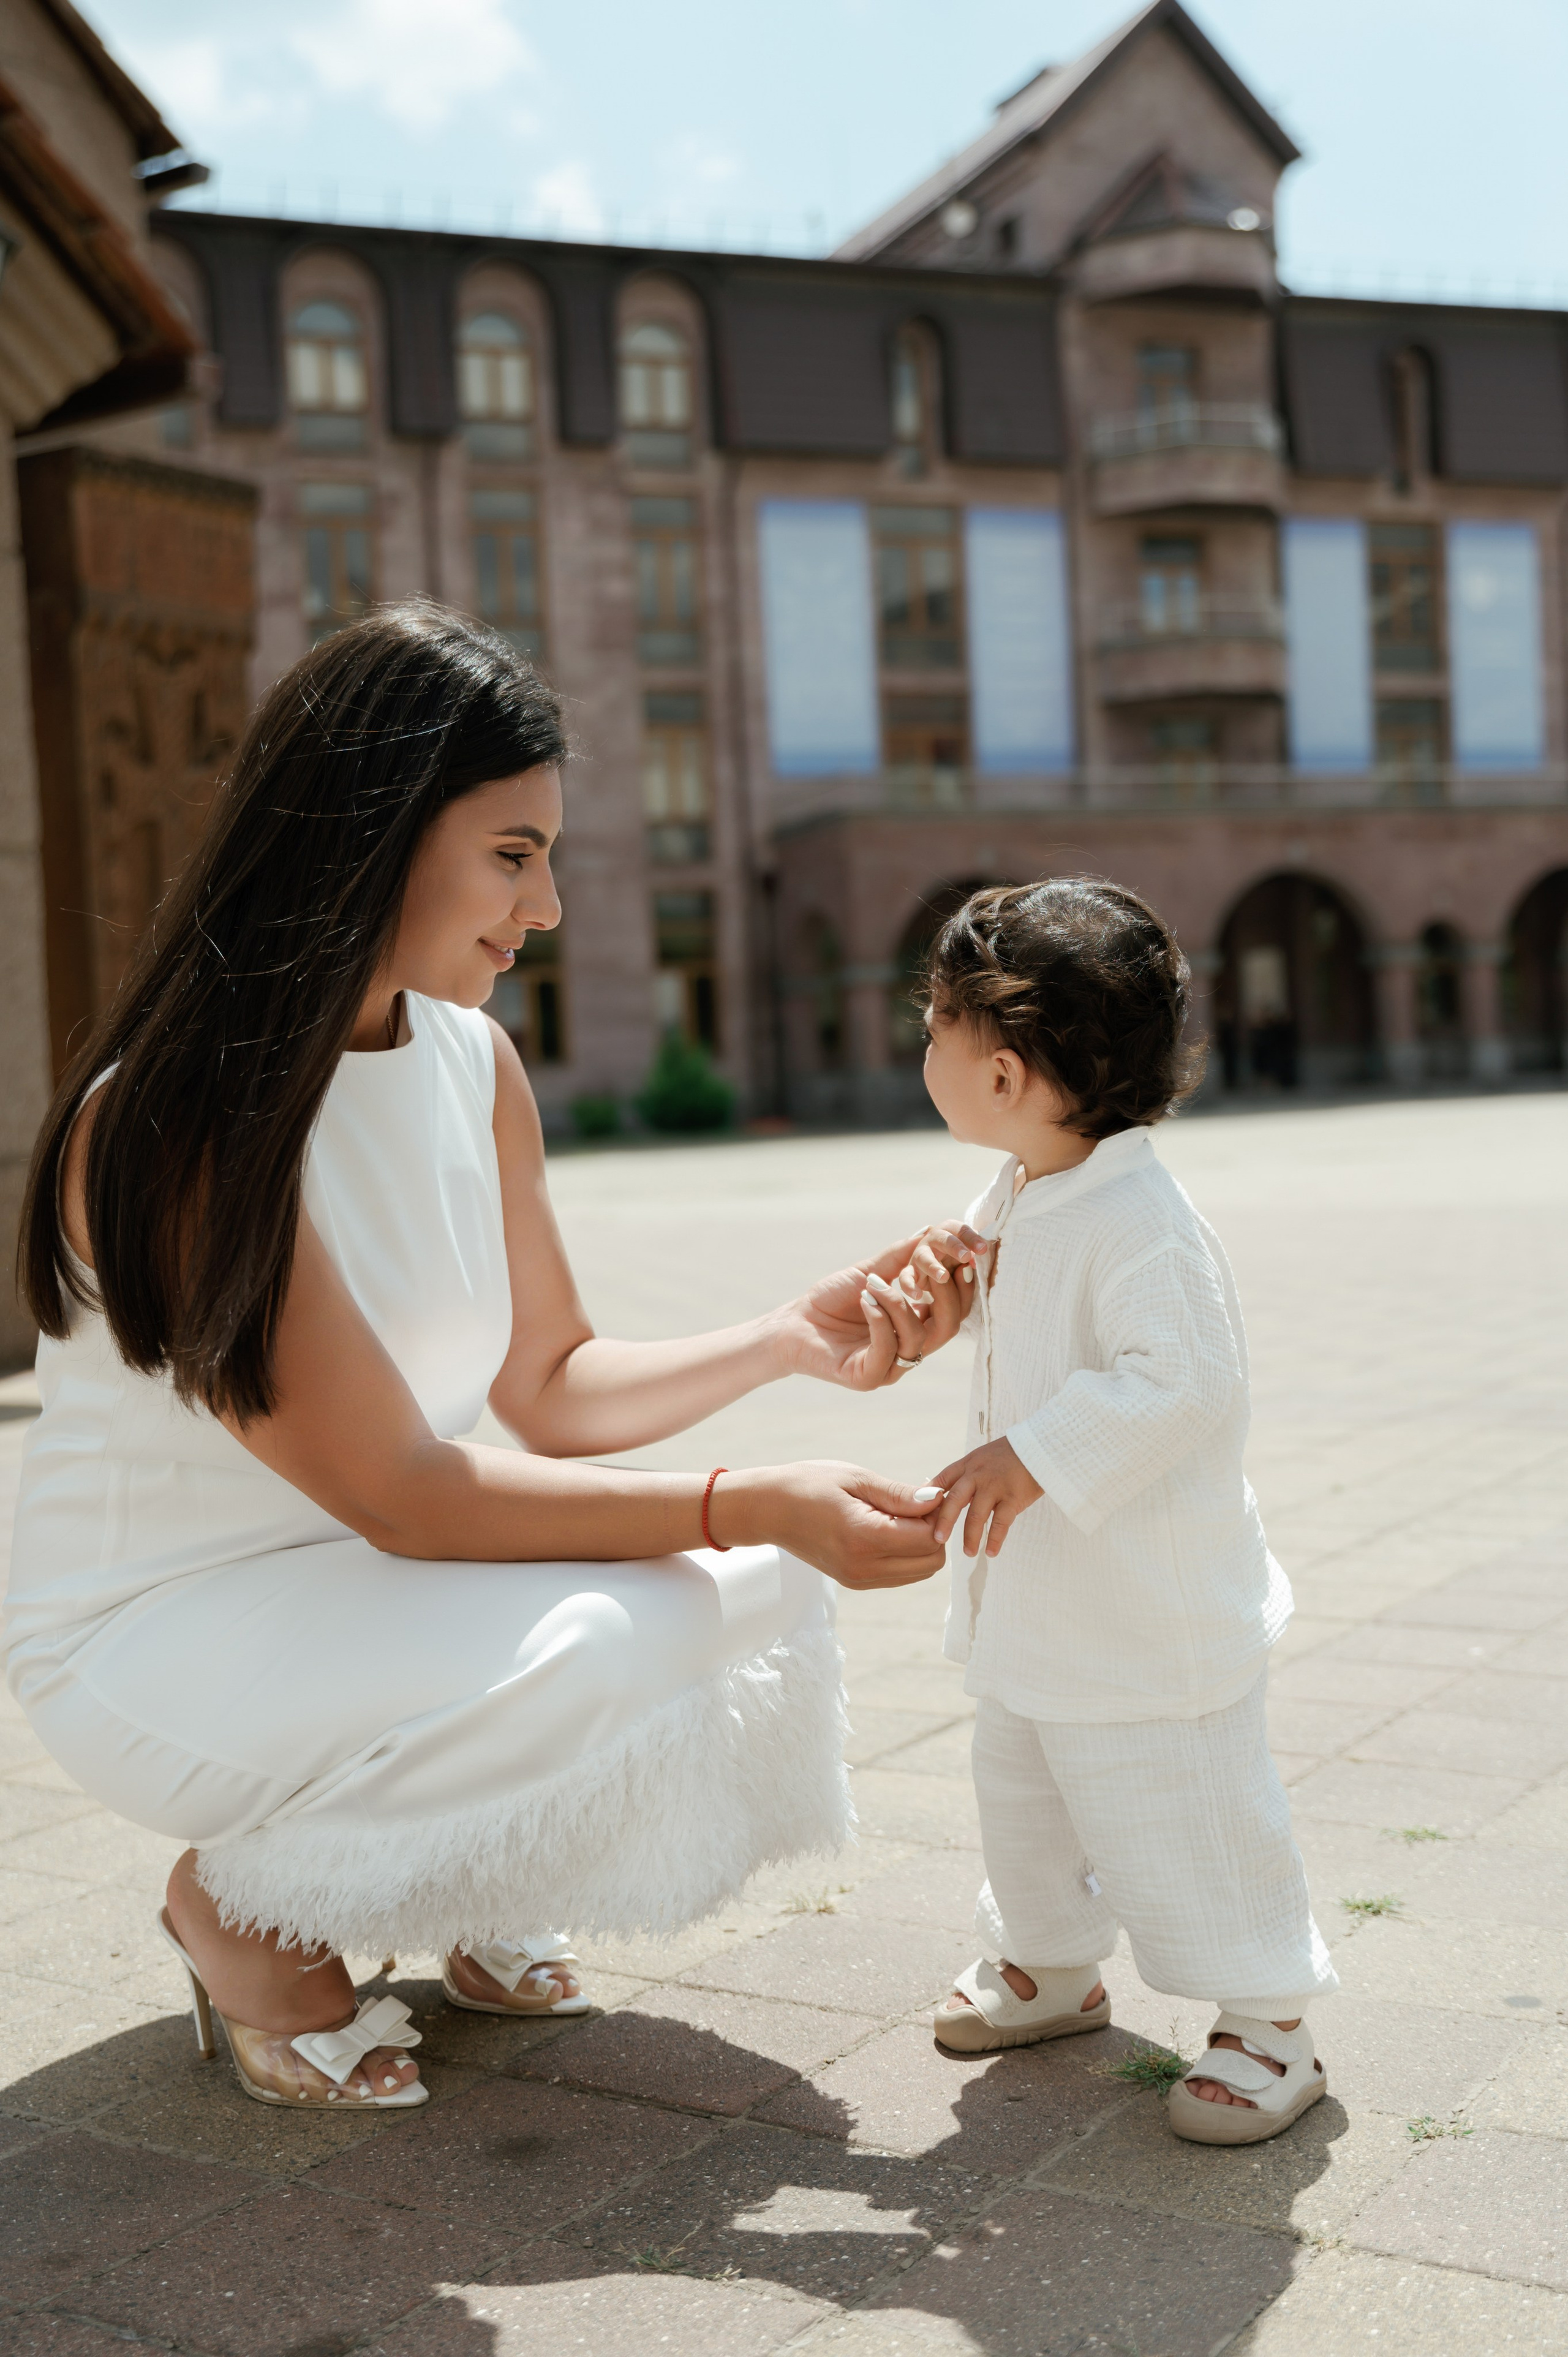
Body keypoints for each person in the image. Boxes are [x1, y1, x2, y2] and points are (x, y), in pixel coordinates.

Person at [7, 605, 954, 2114]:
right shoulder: (181, 1120)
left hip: (376, 1585)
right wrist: (754, 1493)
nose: (552, 904)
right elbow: (406, 1490)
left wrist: (789, 1342)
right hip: (163, 1636)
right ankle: (242, 1908)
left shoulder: (471, 1062)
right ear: (366, 835)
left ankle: (455, 1866)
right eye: (512, 853)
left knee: (748, 1587)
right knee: (619, 1626)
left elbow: (551, 1385)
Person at [897, 878, 1336, 2147]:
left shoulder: (1140, 1220)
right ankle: (1044, 1963)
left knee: (1181, 1809)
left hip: (1147, 1619)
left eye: (936, 1023)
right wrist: (950, 1289)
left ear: (1005, 1071)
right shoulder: (1029, 1182)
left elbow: (1182, 1379)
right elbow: (1010, 1294)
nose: (920, 1042)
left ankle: (1267, 2016)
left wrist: (1035, 1451)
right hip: (1043, 1601)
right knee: (1022, 1787)